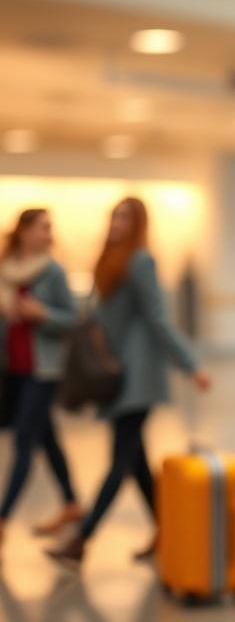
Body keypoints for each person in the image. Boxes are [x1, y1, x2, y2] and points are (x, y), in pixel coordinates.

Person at [48, 197, 211, 563]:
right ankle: (168, 532)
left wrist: (190, 364)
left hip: (139, 377)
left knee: (119, 460)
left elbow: (158, 319)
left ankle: (81, 540)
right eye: (115, 216)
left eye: (125, 217)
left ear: (138, 223)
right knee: (136, 462)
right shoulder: (110, 260)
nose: (117, 223)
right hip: (116, 374)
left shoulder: (140, 260)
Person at [0, 209, 82, 546]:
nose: (49, 234)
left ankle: (2, 519)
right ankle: (72, 503)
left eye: (50, 227)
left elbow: (74, 317)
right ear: (24, 231)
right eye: (43, 227)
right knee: (47, 438)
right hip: (13, 367)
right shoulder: (6, 271)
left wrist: (43, 313)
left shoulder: (53, 272)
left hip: (43, 370)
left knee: (24, 442)